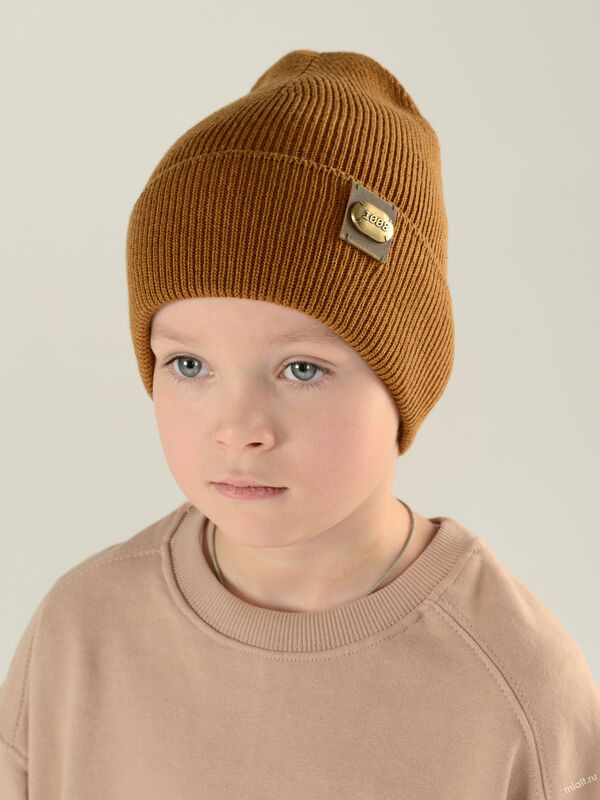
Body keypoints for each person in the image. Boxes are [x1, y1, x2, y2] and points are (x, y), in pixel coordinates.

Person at [1, 49, 598, 799]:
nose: (237, 429)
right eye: (189, 364)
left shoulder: (519, 691)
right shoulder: (80, 634)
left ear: (406, 377)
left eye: (302, 370)